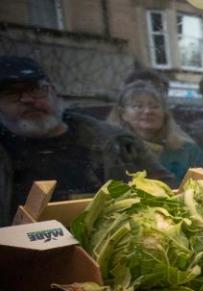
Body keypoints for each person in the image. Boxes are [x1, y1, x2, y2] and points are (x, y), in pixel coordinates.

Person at [0, 56, 174, 225]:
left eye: (35, 90)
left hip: (108, 247)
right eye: (11, 94)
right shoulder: (6, 152)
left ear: (53, 92)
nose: (28, 100)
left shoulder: (116, 141)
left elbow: (167, 191)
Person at [108, 80, 203, 183]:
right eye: (138, 106)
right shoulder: (113, 152)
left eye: (154, 106)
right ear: (123, 114)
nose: (148, 111)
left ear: (165, 113)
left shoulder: (187, 151)